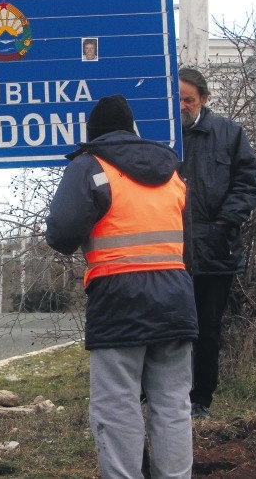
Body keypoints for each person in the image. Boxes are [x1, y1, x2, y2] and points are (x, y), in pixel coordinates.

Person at [46, 94, 197, 479]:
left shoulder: (90, 165)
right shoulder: (172, 170)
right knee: (174, 402)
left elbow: (62, 234)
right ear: (132, 130)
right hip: (176, 296)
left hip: (118, 298)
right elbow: (188, 243)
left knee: (117, 404)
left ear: (93, 133)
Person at [178, 67, 256, 419]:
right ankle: (162, 397)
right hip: (169, 251)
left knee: (207, 330)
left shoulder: (229, 134)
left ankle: (201, 400)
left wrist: (225, 221)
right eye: (176, 99)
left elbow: (248, 183)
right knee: (168, 330)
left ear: (204, 99)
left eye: (189, 99)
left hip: (216, 250)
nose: (182, 106)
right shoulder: (159, 135)